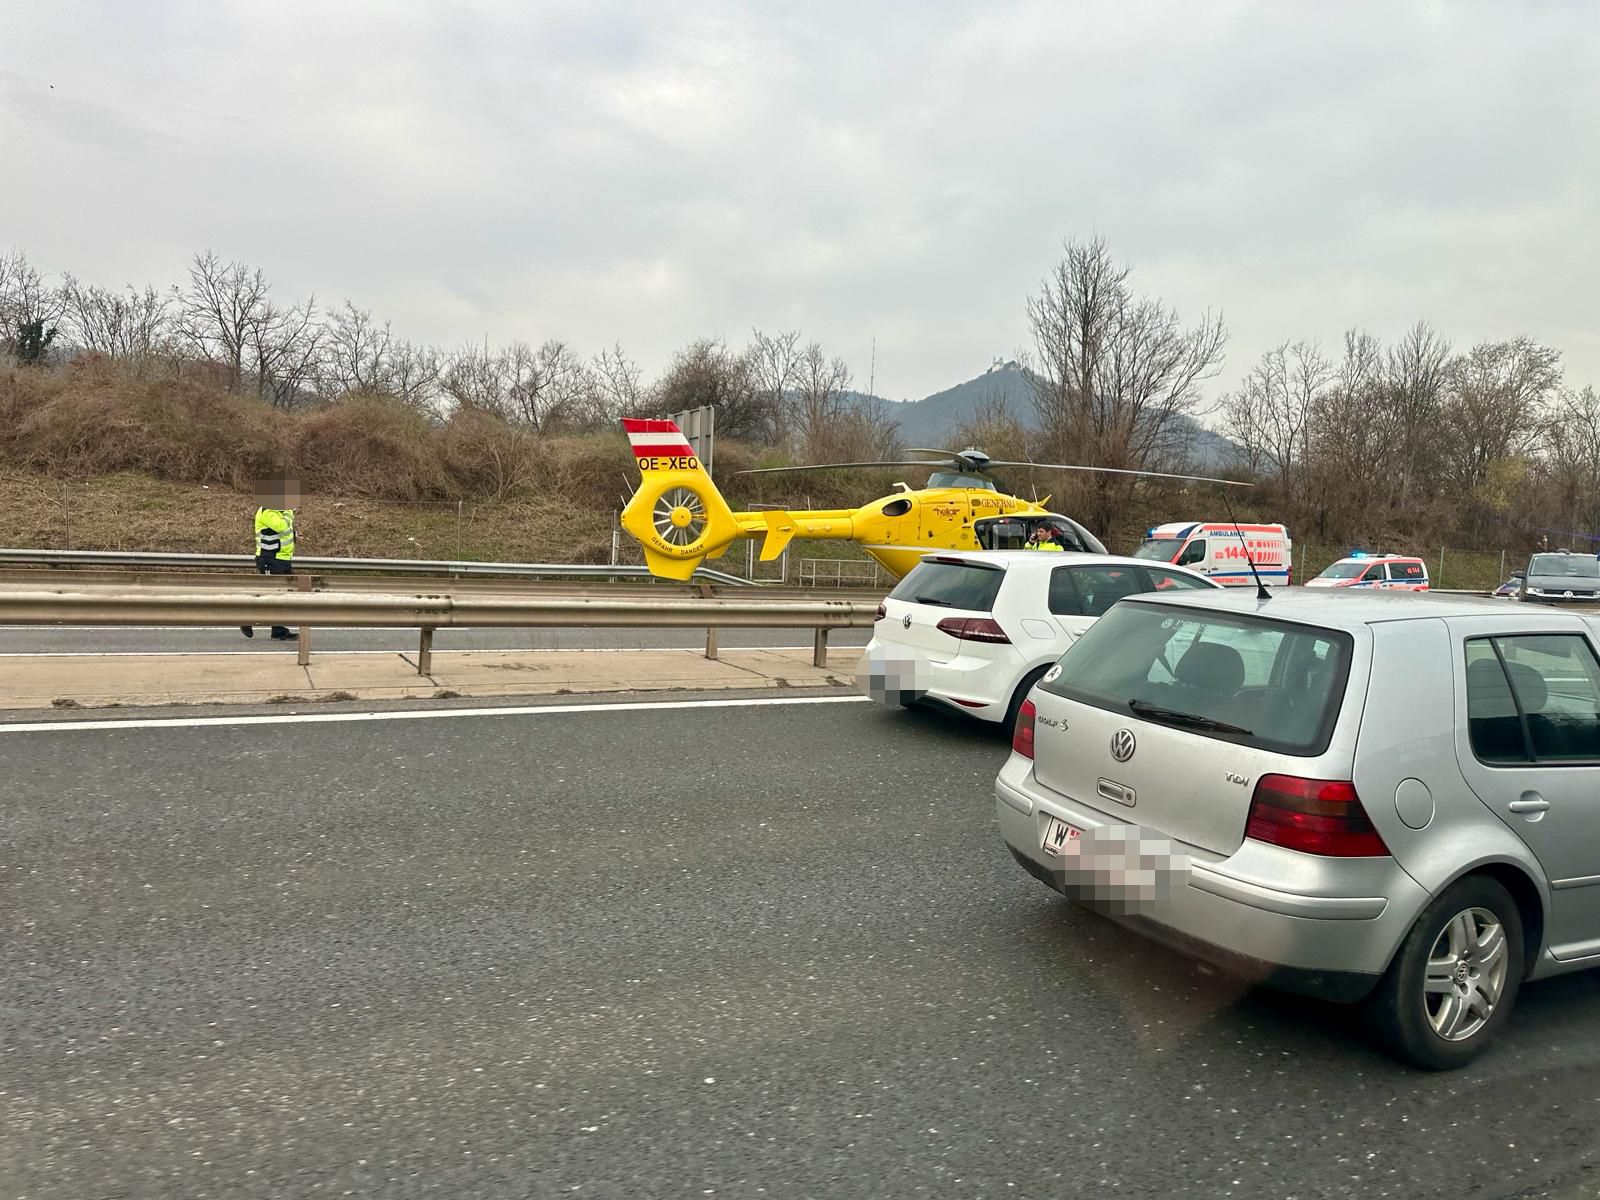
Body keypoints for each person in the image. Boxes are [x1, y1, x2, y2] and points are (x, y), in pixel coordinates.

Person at [241, 474, 300, 641]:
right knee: (270, 595)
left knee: (283, 594)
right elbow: (281, 526)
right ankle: (247, 619)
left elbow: (282, 532)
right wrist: (289, 512)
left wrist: (294, 534)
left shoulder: (278, 511)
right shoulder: (268, 511)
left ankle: (278, 630)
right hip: (270, 560)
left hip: (281, 559)